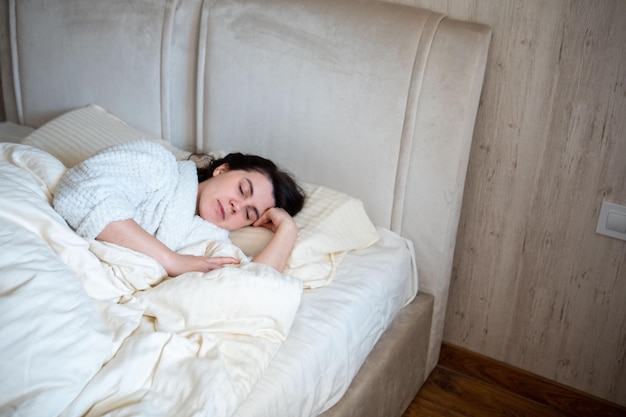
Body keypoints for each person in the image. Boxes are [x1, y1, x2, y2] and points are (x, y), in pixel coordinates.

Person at [53, 140, 305, 277]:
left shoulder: (209, 242)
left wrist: (287, 230)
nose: (236, 206)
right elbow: (83, 194)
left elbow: (254, 287)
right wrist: (171, 260)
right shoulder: (157, 164)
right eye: (242, 190)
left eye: (248, 214)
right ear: (222, 169)